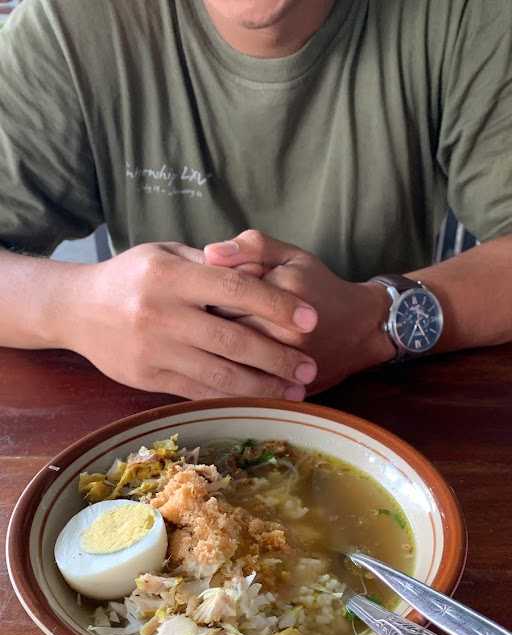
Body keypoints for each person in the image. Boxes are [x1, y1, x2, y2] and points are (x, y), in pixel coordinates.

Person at [0, 0, 511, 401]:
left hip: (397, 412)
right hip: (145, 424)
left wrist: (375, 321)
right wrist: (76, 306)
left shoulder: (471, 16)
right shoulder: (67, 28)